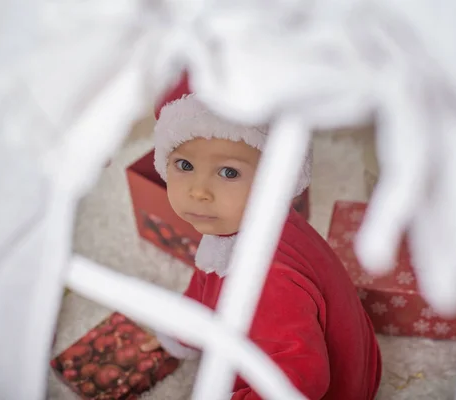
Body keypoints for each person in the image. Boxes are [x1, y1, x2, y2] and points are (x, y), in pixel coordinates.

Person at [141, 80, 382, 400]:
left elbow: (297, 381)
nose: (198, 191)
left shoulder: (268, 279)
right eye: (184, 165)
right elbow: (207, 285)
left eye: (228, 172)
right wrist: (180, 331)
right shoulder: (239, 227)